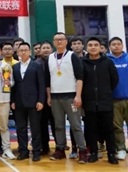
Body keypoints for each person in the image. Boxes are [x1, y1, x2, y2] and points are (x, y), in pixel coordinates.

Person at [45, 32, 87, 163]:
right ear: (53, 42)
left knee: (76, 125)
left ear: (66, 41)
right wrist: (49, 96)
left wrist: (78, 96)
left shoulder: (72, 56)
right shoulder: (49, 58)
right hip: (55, 97)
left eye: (61, 39)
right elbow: (47, 80)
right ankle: (60, 149)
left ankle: (82, 150)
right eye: (56, 39)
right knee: (58, 125)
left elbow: (80, 77)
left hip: (71, 96)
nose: (59, 41)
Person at [81, 37, 119, 164]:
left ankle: (111, 154)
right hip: (89, 103)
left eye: (95, 45)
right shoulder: (82, 62)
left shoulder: (108, 62)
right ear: (86, 47)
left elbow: (114, 80)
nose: (93, 47)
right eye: (90, 45)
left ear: (100, 47)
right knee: (90, 130)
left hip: (105, 102)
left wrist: (106, 91)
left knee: (108, 129)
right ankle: (93, 153)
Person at [11, 42, 45, 161]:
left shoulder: (36, 66)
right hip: (19, 102)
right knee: (21, 128)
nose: (23, 52)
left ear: (30, 52)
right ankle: (23, 151)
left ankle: (36, 151)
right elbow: (14, 86)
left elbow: (41, 85)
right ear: (18, 52)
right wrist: (12, 101)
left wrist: (41, 100)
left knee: (35, 128)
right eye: (21, 50)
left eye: (26, 50)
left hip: (34, 102)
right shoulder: (15, 67)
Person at [36, 40, 55, 155]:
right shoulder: (36, 63)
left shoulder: (56, 61)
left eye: (48, 48)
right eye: (44, 48)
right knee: (42, 124)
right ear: (40, 50)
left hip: (55, 97)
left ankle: (60, 145)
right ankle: (44, 146)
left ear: (52, 49)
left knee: (56, 123)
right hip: (41, 98)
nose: (46, 50)